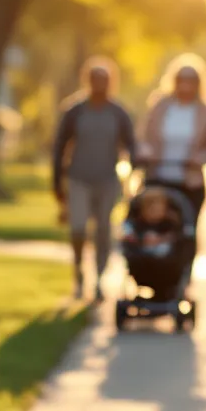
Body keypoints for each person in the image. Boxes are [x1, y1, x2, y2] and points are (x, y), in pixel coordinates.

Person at [52, 56, 137, 302]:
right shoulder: (75, 111)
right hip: (79, 178)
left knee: (103, 230)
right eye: (95, 79)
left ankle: (99, 279)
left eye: (104, 79)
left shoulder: (118, 112)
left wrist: (135, 172)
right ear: (88, 80)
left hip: (107, 180)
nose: (100, 83)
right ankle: (79, 272)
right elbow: (60, 146)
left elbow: (130, 145)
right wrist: (57, 182)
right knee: (78, 229)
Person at [137, 53, 206, 231]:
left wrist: (201, 158)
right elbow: (144, 136)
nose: (186, 84)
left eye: (191, 80)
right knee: (154, 228)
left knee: (186, 229)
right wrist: (145, 152)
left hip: (189, 180)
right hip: (158, 176)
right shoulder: (160, 106)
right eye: (182, 79)